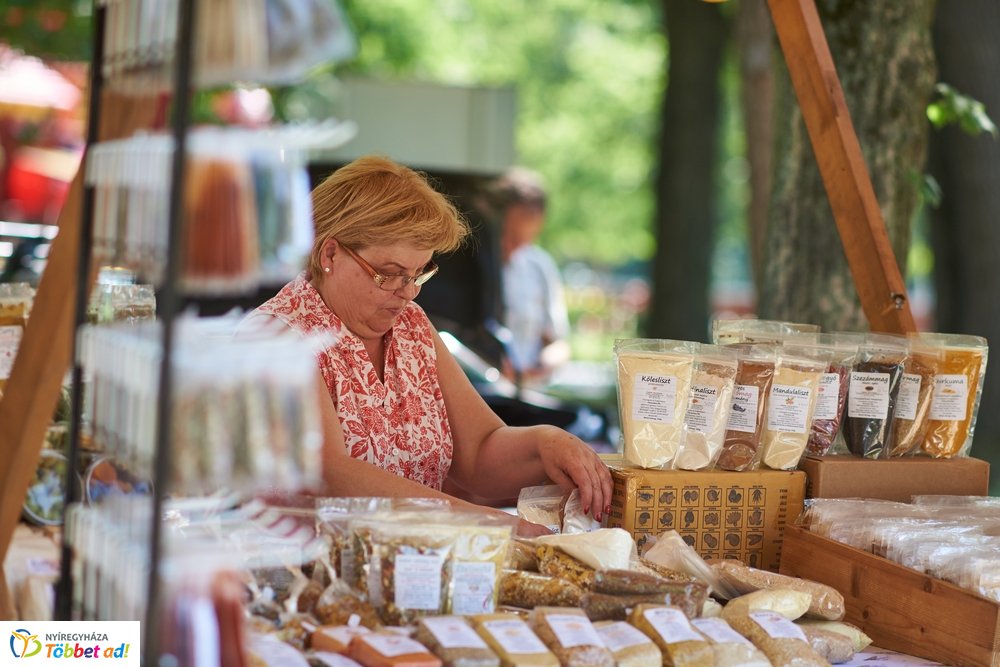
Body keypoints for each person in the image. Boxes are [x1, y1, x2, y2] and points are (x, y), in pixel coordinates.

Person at [243, 156, 611, 534]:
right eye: (388, 274)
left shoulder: (412, 325)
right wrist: (490, 526)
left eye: (419, 273)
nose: (408, 293)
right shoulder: (277, 336)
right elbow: (331, 475)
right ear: (330, 253)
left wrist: (547, 444)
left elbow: (481, 450)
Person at [494, 167, 570, 384]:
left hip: (524, 393)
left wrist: (541, 367)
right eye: (508, 235)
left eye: (523, 238)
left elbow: (558, 342)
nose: (513, 246)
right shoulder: (472, 267)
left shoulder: (539, 266)